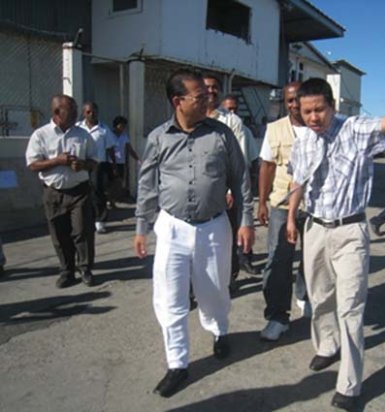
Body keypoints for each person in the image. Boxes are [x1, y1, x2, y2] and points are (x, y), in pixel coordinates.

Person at [286, 78, 385, 411]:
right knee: (319, 297)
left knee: (351, 307)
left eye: (319, 110)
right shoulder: (304, 139)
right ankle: (327, 346)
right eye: (306, 112)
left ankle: (350, 385)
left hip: (350, 231)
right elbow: (297, 178)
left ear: (332, 106)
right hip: (315, 228)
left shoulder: (354, 129)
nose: (313, 117)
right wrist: (291, 217)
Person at [134, 69, 255, 398]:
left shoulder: (222, 134)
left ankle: (219, 330)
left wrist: (246, 221)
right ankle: (178, 364)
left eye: (209, 94)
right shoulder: (158, 137)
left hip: (214, 226)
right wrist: (141, 227)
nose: (209, 100)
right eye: (200, 96)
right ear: (178, 101)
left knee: (214, 290)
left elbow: (240, 180)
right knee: (169, 297)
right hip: (172, 227)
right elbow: (147, 185)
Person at [256, 81, 310, 342]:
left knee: (313, 259)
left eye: (298, 98)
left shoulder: (320, 126)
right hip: (281, 204)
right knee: (278, 261)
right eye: (289, 100)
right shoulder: (274, 129)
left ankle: (305, 295)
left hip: (314, 207)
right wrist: (262, 202)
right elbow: (266, 166)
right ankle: (278, 317)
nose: (294, 104)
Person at [25, 95, 97, 288]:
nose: (76, 114)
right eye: (71, 110)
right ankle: (67, 271)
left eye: (76, 110)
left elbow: (94, 161)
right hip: (54, 193)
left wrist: (82, 164)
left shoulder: (83, 135)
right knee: (59, 235)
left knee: (82, 231)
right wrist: (57, 161)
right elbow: (33, 164)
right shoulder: (41, 135)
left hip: (79, 192)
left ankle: (85, 269)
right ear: (57, 112)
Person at [204, 75, 259, 279]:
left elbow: (240, 161)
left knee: (228, 238)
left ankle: (229, 279)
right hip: (201, 193)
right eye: (207, 87)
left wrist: (230, 190)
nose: (211, 91)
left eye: (215, 87)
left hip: (225, 191)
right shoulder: (192, 118)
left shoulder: (232, 121)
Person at [77, 102, 117, 234]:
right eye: (88, 112)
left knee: (98, 192)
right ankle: (86, 220)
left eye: (94, 112)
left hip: (98, 166)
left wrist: (114, 165)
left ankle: (100, 220)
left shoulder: (103, 129)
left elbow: (110, 148)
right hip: (81, 165)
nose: (91, 114)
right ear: (84, 113)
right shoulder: (78, 128)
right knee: (83, 192)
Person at [221, 94, 260, 197]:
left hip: (239, 181)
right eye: (229, 109)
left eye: (235, 109)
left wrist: (254, 178)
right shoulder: (216, 129)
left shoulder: (246, 131)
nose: (233, 112)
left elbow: (254, 158)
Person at [111, 115, 140, 203]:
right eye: (121, 125)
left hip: (121, 162)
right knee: (111, 181)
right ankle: (111, 200)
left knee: (120, 181)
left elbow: (129, 149)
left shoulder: (124, 136)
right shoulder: (110, 135)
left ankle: (118, 198)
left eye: (124, 126)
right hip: (111, 162)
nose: (123, 128)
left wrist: (137, 159)